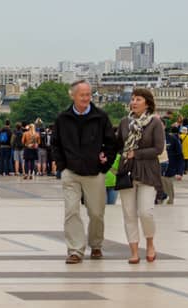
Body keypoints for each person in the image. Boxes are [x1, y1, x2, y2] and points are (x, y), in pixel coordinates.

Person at [52, 79, 117, 264]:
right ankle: (75, 250)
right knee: (71, 211)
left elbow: (112, 143)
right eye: (82, 95)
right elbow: (55, 144)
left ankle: (96, 244)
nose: (86, 98)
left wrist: (104, 165)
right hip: (71, 171)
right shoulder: (62, 118)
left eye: (89, 94)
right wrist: (62, 166)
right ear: (72, 96)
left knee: (96, 213)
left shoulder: (100, 117)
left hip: (94, 172)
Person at [116, 88, 164, 264]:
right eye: (132, 99)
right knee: (129, 213)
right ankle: (134, 251)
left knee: (145, 212)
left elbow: (158, 149)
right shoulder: (124, 122)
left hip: (148, 171)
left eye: (138, 99)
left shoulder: (154, 123)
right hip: (127, 171)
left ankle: (150, 243)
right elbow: (118, 144)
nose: (133, 102)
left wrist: (136, 153)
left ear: (147, 103)